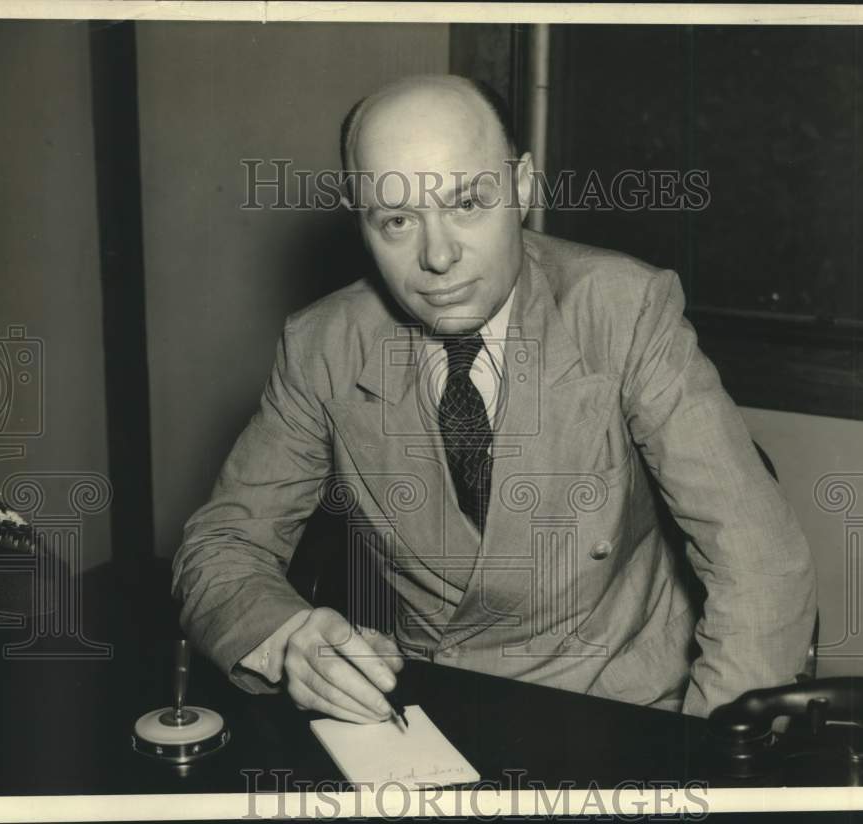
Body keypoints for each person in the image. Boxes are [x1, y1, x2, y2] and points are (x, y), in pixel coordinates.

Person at [171, 73, 817, 723]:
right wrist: (289, 639)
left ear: (522, 187)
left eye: (467, 204)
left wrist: (711, 762)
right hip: (436, 709)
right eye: (397, 220)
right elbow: (222, 543)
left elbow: (759, 561)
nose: (438, 256)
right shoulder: (321, 346)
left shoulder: (624, 309)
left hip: (630, 704)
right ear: (362, 225)